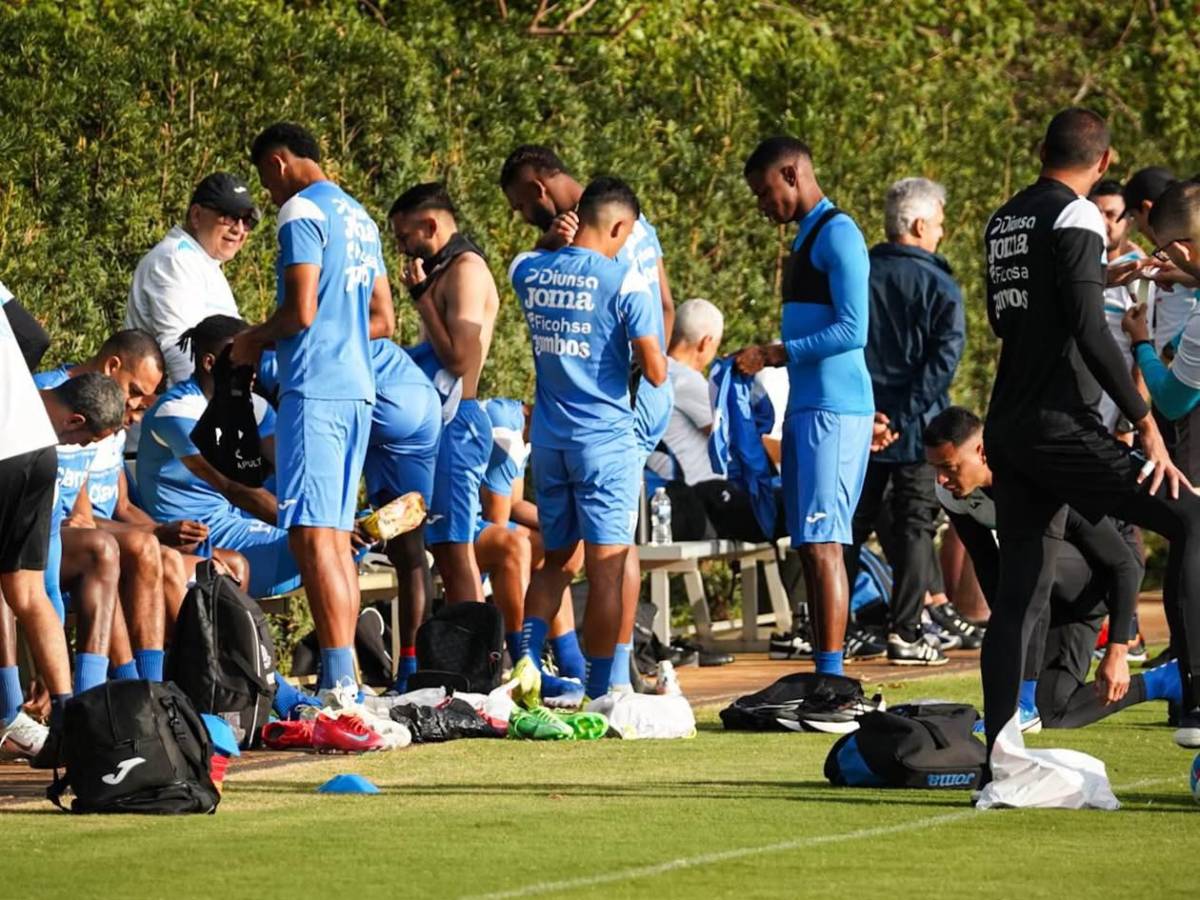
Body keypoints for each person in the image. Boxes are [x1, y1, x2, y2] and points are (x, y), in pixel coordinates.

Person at [980, 107, 1200, 755]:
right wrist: (1146, 426)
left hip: (1009, 426)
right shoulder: (1077, 214)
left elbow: (1012, 318)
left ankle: (1000, 753)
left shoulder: (1005, 219)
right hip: (1059, 426)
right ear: (1102, 163)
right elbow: (1086, 331)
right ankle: (1194, 701)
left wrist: (1096, 277)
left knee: (1019, 593)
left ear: (1041, 150)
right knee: (1189, 519)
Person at [500, 145, 676, 687]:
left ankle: (527, 666)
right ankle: (608, 682)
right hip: (606, 434)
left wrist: (550, 247)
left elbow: (527, 266)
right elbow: (655, 363)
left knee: (557, 561)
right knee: (609, 563)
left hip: (552, 437)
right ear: (621, 226)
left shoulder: (529, 268)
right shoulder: (624, 279)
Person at [231, 123, 393, 699]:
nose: (268, 195)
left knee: (314, 535)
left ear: (277, 164)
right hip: (358, 390)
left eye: (264, 181)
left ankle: (342, 683)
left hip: (315, 391)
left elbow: (299, 311)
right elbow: (384, 320)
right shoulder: (361, 218)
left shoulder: (301, 211)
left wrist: (252, 339)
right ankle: (341, 674)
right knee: (331, 533)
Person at [924, 407, 1181, 730]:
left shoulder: (1038, 480)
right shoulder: (951, 494)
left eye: (949, 467)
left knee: (1025, 563)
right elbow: (988, 568)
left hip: (1096, 580)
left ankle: (1024, 701)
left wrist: (1117, 647)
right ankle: (1164, 681)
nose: (942, 480)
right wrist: (1010, 646)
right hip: (1049, 589)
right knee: (1057, 712)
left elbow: (1124, 564)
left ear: (982, 451)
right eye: (935, 469)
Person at [732, 136, 874, 678]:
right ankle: (823, 671)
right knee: (809, 544)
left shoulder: (839, 233)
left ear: (792, 174)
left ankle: (833, 680)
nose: (762, 205)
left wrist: (776, 353)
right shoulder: (807, 236)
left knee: (824, 546)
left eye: (765, 191)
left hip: (835, 411)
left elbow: (852, 329)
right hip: (809, 408)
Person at [843, 177, 965, 665]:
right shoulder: (938, 282)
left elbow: (845, 344)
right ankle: (907, 631)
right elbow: (944, 359)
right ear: (918, 225)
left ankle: (837, 630)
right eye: (937, 223)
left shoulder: (857, 274)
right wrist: (902, 416)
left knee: (851, 524)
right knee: (916, 525)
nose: (941, 232)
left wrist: (873, 414)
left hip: (861, 420)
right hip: (917, 427)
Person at [33, 329, 184, 681]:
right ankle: (133, 685)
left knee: (174, 559)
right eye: (134, 392)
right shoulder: (53, 398)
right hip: (41, 534)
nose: (134, 407)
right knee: (116, 552)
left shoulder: (108, 416)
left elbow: (94, 500)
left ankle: (175, 683)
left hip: (76, 534)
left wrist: (161, 531)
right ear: (113, 365)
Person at [0, 367, 123, 765]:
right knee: (27, 592)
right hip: (36, 457)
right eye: (84, 439)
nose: (80, 444)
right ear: (74, 420)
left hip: (6, 447)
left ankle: (10, 711)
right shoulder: (48, 438)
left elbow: (32, 333)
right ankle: (70, 722)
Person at [138, 315, 303, 600]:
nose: (254, 370)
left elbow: (291, 471)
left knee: (353, 533)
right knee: (320, 549)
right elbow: (232, 486)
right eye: (243, 360)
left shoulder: (256, 407)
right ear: (210, 364)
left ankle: (348, 640)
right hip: (192, 537)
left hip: (232, 520)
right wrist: (312, 526)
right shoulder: (178, 412)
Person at [388, 182, 497, 608]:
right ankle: (461, 657)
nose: (402, 248)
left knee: (455, 552)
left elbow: (459, 359)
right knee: (442, 552)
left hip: (459, 423)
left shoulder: (467, 269)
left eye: (404, 237)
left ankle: (476, 661)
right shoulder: (445, 271)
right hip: (439, 424)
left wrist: (421, 300)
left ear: (431, 225)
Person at [473, 397, 585, 685]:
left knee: (562, 546)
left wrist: (564, 526)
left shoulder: (527, 431)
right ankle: (525, 661)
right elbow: (497, 521)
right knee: (515, 546)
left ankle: (571, 665)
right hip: (448, 524)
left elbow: (515, 502)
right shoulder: (506, 429)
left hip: (478, 521)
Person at [361, 337, 442, 694]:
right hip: (421, 407)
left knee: (330, 541)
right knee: (409, 553)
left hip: (380, 398)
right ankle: (412, 667)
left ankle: (342, 678)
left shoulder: (273, 354)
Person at [127, 172, 259, 385]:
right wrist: (213, 412)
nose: (239, 229)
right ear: (196, 216)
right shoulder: (175, 259)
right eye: (229, 217)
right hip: (178, 406)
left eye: (247, 221)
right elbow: (180, 348)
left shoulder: (202, 261)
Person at [1089, 180, 1150, 436]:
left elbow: (1145, 350)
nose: (1103, 222)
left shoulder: (1140, 274)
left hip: (1112, 419)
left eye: (1112, 215)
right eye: (1096, 214)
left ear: (1128, 221)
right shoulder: (1080, 268)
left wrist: (1129, 424)